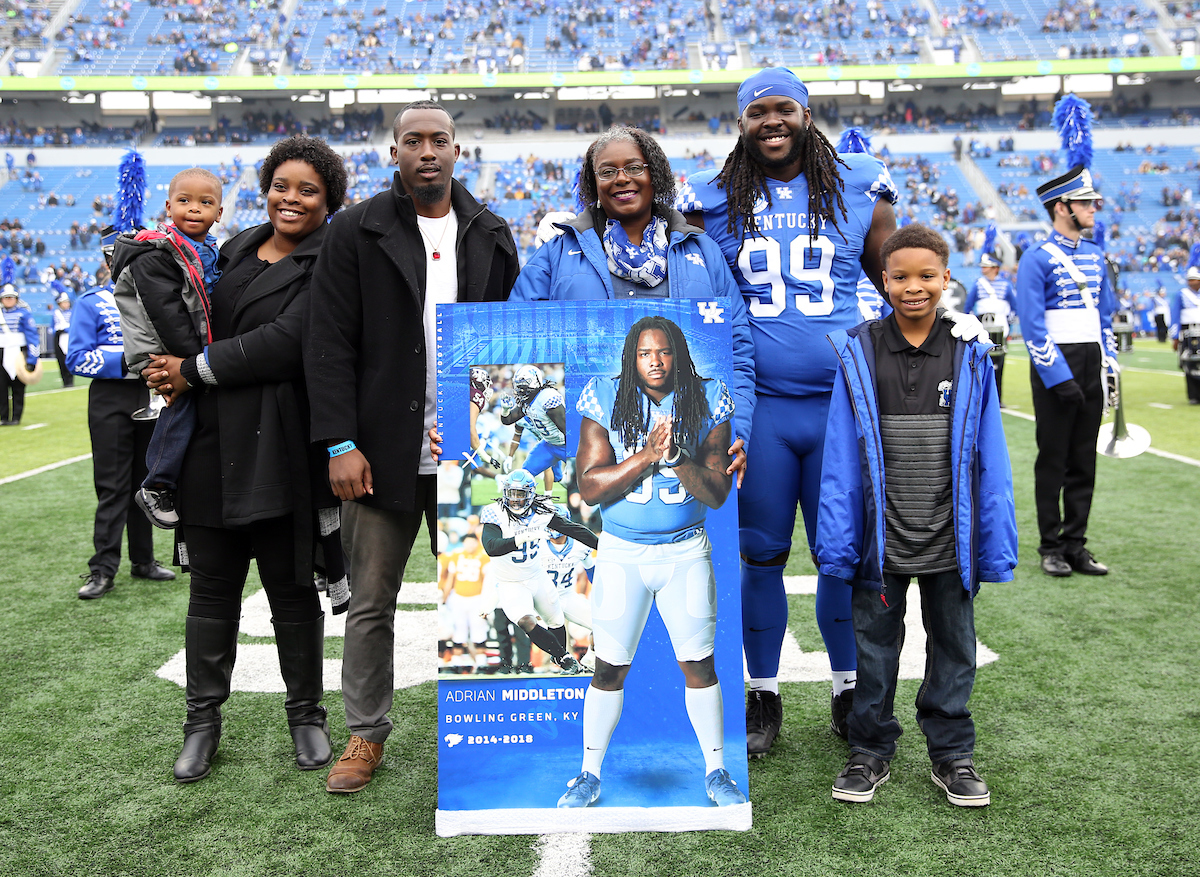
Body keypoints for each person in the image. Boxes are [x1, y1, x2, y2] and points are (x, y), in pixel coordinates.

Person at [675, 67, 901, 753]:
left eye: (783, 110)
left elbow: (895, 278)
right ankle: (763, 695)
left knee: (841, 556)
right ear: (741, 122)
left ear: (806, 113)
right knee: (761, 556)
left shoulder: (861, 180)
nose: (771, 122)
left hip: (842, 405)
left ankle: (845, 688)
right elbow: (687, 285)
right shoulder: (710, 197)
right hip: (762, 408)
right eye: (756, 113)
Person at [305, 100, 519, 794]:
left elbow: (513, 347)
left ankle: (494, 728)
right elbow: (328, 342)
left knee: (479, 597)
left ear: (459, 151)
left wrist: (492, 426)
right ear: (394, 152)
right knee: (370, 602)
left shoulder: (490, 231)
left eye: (439, 140)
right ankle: (365, 735)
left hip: (470, 451)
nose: (427, 151)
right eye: (413, 141)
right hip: (380, 450)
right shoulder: (354, 230)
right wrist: (340, 440)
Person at [142, 135, 350, 782]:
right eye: (281, 186)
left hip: (280, 443)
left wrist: (191, 369)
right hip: (210, 440)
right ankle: (201, 723)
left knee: (291, 590)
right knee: (211, 592)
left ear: (329, 200)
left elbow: (286, 344)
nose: (291, 199)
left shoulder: (333, 259)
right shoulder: (228, 248)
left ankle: (307, 716)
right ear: (265, 188)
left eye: (308, 189)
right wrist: (163, 364)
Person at [816, 223, 1017, 807]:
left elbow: (992, 456)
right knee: (875, 647)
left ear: (946, 279)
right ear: (882, 280)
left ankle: (952, 753)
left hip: (948, 534)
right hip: (882, 537)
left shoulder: (968, 351)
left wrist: (991, 538)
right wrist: (839, 538)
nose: (913, 287)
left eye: (926, 276)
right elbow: (840, 454)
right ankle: (869, 749)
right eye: (900, 276)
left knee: (954, 645)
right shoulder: (859, 349)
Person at [557, 315, 747, 810]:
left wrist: (677, 458)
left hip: (686, 548)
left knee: (699, 664)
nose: (655, 362)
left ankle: (716, 770)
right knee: (608, 668)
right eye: (645, 354)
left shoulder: (709, 394)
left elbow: (719, 492)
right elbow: (590, 487)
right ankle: (588, 774)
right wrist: (646, 457)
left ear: (678, 354)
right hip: (622, 551)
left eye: (663, 352)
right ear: (631, 357)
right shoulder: (605, 394)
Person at [508, 125, 755, 480]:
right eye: (607, 171)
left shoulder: (703, 252)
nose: (622, 179)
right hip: (598, 438)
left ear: (655, 174)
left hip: (689, 436)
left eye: (635, 168)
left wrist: (738, 426)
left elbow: (739, 351)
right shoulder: (556, 255)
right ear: (593, 184)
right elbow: (514, 340)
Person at [1016, 165, 1117, 578]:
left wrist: (1109, 366)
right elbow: (1033, 326)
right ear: (1062, 207)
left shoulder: (1096, 255)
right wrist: (1059, 378)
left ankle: (1077, 544)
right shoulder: (1037, 258)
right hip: (1055, 366)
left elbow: (1105, 317)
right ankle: (1050, 546)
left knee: (1083, 461)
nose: (1094, 208)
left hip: (1091, 362)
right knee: (1053, 460)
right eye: (1085, 202)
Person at [110, 168, 224, 530]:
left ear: (219, 213)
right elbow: (168, 314)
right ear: (168, 206)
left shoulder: (206, 249)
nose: (194, 209)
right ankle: (157, 483)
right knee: (183, 405)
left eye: (205, 203)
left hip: (186, 349)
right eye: (184, 201)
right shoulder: (157, 251)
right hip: (166, 349)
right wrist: (195, 362)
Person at [66, 243, 176, 600]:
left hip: (152, 395)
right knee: (112, 486)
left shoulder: (154, 294)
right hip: (111, 397)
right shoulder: (91, 301)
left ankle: (143, 560)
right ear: (109, 260)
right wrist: (131, 359)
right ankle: (102, 568)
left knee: (144, 484)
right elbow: (77, 357)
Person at [479, 469, 594, 673]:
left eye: (520, 494)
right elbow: (491, 547)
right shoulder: (494, 511)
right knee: (525, 620)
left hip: (536, 576)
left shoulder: (541, 512)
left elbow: (574, 530)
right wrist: (523, 537)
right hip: (510, 582)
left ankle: (562, 660)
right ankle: (563, 657)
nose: (514, 500)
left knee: (556, 621)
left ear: (531, 494)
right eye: (511, 493)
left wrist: (601, 545)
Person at [499, 364, 568, 493]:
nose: (519, 390)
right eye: (518, 386)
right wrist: (505, 409)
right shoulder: (527, 401)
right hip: (548, 445)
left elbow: (567, 430)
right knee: (523, 477)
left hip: (566, 445)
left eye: (522, 386)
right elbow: (507, 420)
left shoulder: (547, 397)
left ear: (534, 384)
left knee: (578, 476)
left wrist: (573, 459)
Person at [962, 252, 1018, 405]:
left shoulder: (1005, 285)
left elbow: (1014, 307)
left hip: (1000, 330)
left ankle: (997, 398)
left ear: (995, 268)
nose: (983, 269)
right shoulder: (978, 284)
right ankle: (979, 399)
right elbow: (968, 307)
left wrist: (1008, 324)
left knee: (999, 365)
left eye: (986, 266)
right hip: (983, 329)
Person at [0, 284, 38, 425]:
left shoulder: (24, 314)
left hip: (18, 353)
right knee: (1, 388)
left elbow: (33, 337)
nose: (8, 300)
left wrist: (32, 360)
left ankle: (16, 417)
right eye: (5, 298)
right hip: (1, 353)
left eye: (11, 297)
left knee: (18, 388)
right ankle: (3, 417)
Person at [1170, 266, 1200, 404]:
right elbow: (1175, 316)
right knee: (1189, 362)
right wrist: (1175, 337)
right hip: (1188, 332)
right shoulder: (1181, 295)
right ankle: (1193, 395)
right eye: (1191, 280)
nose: (1193, 282)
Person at [52, 291, 74, 387]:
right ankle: (65, 380)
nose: (66, 304)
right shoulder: (56, 313)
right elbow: (52, 327)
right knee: (61, 359)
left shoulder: (72, 312)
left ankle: (70, 380)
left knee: (69, 358)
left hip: (70, 336)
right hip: (60, 336)